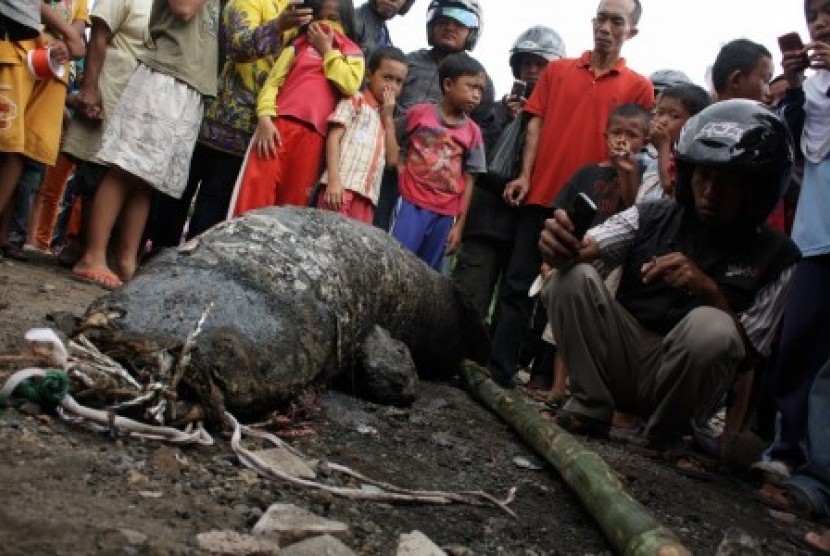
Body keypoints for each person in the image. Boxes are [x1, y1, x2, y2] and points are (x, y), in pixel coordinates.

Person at [538, 101, 799, 468]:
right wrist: (562, 245)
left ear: (756, 190)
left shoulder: (779, 256)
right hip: (620, 355)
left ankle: (668, 433)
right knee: (571, 277)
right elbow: (592, 245)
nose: (710, 192)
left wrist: (707, 289)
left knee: (713, 327)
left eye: (728, 183)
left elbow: (750, 354)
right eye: (704, 177)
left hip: (685, 381)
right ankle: (590, 405)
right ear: (689, 173)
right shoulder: (652, 214)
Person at [486, 0, 653, 387]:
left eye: (617, 21)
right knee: (517, 284)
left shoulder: (639, 87)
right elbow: (534, 125)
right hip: (542, 192)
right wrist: (525, 176)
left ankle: (544, 380)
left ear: (631, 31)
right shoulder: (558, 70)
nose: (606, 27)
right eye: (601, 18)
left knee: (563, 290)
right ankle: (499, 370)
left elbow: (634, 144)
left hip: (593, 207)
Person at [71, 0, 220, 289]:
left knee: (146, 180)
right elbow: (183, 9)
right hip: (164, 77)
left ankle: (127, 261)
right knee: (124, 167)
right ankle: (92, 256)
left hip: (189, 83)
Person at [146, 0, 314, 249]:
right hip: (210, 120)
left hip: (253, 133)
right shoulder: (248, 2)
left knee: (210, 218)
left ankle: (185, 278)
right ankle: (153, 262)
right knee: (173, 200)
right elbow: (236, 46)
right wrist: (278, 26)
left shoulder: (303, 17)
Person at [754, 0, 830, 480]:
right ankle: (788, 452)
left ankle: (820, 476)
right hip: (815, 234)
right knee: (799, 343)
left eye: (829, 11)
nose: (819, 22)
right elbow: (792, 143)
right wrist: (798, 87)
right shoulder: (813, 92)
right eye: (813, 14)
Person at [452, 25, 566, 322]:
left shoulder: (558, 122)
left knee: (512, 306)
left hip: (526, 227)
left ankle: (494, 365)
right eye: (526, 63)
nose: (532, 71)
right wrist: (507, 120)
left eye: (540, 64)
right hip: (487, 222)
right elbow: (477, 162)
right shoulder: (489, 110)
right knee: (468, 299)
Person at [231, 0, 364, 215]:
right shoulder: (298, 44)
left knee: (290, 207)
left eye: (333, 19)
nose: (324, 24)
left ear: (346, 22)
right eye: (319, 17)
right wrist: (265, 119)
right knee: (252, 197)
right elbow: (273, 82)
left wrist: (327, 51)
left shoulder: (353, 53)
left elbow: (349, 84)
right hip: (275, 129)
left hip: (315, 138)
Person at [373, 0, 495, 230]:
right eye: (443, 21)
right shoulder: (407, 63)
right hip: (389, 165)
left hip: (437, 187)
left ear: (471, 32)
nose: (449, 27)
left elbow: (480, 140)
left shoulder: (480, 83)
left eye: (459, 23)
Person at [389, 52, 486, 270]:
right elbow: (391, 135)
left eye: (480, 90)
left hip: (445, 213)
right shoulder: (419, 114)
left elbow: (470, 179)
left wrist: (459, 225)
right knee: (395, 260)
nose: (476, 95)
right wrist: (399, 164)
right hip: (410, 203)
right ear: (448, 84)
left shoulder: (473, 133)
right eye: (471, 86)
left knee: (428, 273)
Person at [0, 0, 86, 232]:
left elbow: (79, 20)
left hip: (51, 69)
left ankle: (6, 236)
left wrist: (68, 44)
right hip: (16, 48)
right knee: (6, 140)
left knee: (20, 149)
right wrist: (69, 35)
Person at [317, 46, 407, 223]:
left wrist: (388, 119)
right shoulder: (355, 100)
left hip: (367, 197)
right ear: (369, 76)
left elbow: (392, 160)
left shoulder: (389, 120)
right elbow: (334, 138)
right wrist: (334, 181)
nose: (392, 86)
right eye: (387, 77)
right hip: (340, 189)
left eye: (398, 81)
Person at [637, 83, 711, 201]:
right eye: (660, 113)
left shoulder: (689, 159)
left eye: (674, 116)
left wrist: (662, 147)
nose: (662, 121)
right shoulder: (652, 156)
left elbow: (669, 187)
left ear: (693, 124)